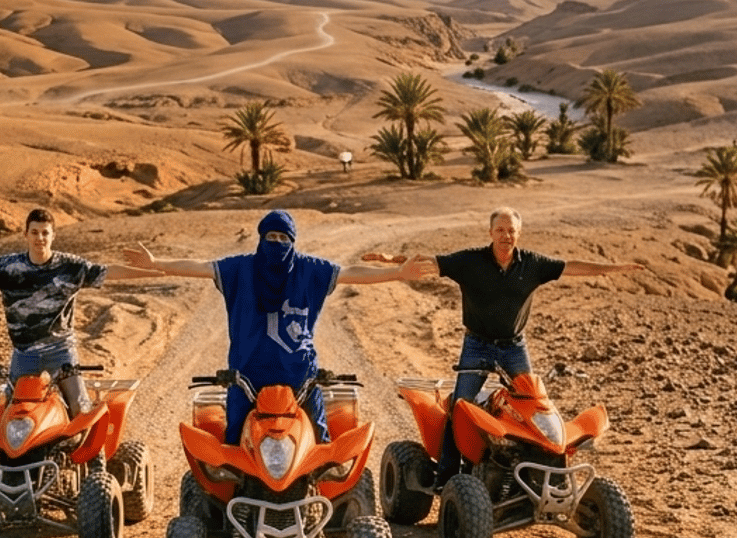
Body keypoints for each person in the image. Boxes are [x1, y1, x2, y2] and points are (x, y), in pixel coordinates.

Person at [125, 210, 422, 444]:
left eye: (283, 237)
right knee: (232, 445)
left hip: (300, 374)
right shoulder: (240, 268)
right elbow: (200, 267)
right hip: (247, 374)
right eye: (271, 236)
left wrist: (396, 272)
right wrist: (156, 264)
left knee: (320, 442)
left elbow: (350, 274)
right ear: (260, 239)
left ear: (293, 242)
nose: (277, 243)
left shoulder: (309, 269)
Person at [416, 206, 643, 485]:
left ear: (519, 233)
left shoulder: (532, 264)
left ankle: (540, 475)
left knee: (534, 405)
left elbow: (571, 267)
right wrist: (393, 261)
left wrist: (614, 268)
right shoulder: (470, 261)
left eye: (511, 230)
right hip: (477, 345)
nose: (506, 235)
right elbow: (432, 263)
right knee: (460, 407)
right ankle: (446, 476)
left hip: (513, 347)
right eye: (500, 230)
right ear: (490, 233)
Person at [0, 208, 161, 416]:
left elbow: (108, 272)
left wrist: (155, 270)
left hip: (61, 352)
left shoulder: (70, 267)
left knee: (81, 410)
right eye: (35, 232)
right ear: (26, 235)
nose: (40, 238)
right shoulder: (8, 267)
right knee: (9, 416)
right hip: (24, 354)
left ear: (53, 235)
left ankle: (92, 450)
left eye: (45, 233)